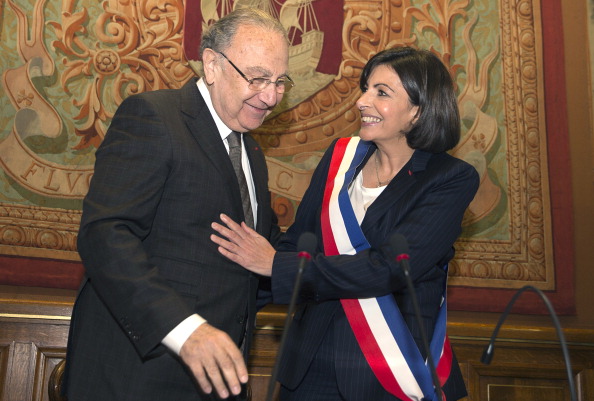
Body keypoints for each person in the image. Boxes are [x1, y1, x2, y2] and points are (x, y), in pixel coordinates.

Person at [210, 47, 480, 401]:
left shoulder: (451, 179)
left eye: (381, 92)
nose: (362, 101)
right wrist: (224, 301)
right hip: (309, 364)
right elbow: (299, 244)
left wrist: (276, 264)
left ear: (418, 110)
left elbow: (391, 269)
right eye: (366, 88)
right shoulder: (340, 158)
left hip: (391, 371)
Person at [62, 8, 291, 401]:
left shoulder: (251, 154)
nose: (270, 96)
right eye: (257, 78)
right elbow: (105, 235)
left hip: (213, 384)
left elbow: (246, 269)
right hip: (136, 377)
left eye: (279, 81)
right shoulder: (153, 117)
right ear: (213, 64)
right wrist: (187, 331)